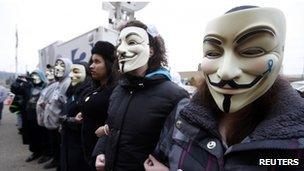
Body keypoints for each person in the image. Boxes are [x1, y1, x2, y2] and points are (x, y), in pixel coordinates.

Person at [144, 6, 304, 171]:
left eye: (252, 51)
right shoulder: (182, 115)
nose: (225, 72)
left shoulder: (297, 140)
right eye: (213, 53)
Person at [94, 20, 189, 171]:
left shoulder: (175, 96)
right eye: (119, 43)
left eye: (132, 42)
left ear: (151, 50)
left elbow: (180, 152)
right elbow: (111, 125)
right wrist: (101, 151)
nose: (120, 50)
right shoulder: (119, 90)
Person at [74, 41, 117, 170]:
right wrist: (83, 113)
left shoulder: (116, 91)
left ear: (109, 64)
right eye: (91, 62)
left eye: (97, 62)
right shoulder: (96, 88)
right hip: (87, 151)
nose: (91, 66)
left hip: (101, 155)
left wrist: (106, 128)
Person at [60, 62, 92, 171]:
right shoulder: (73, 91)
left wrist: (66, 120)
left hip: (79, 145)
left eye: (76, 71)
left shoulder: (88, 93)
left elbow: (83, 121)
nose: (70, 75)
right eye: (71, 72)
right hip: (68, 141)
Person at [43, 58, 72, 169]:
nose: (58, 68)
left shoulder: (67, 82)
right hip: (53, 121)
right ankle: (56, 161)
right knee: (55, 144)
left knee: (59, 145)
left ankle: (59, 164)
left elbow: (65, 104)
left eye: (62, 65)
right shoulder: (59, 83)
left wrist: (61, 121)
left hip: (59, 122)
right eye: (57, 65)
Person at [25, 70, 48, 162]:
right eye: (33, 76)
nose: (35, 78)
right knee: (33, 135)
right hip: (31, 115)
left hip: (42, 115)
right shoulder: (30, 87)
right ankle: (35, 152)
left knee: (43, 135)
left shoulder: (46, 86)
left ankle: (45, 153)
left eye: (37, 76)